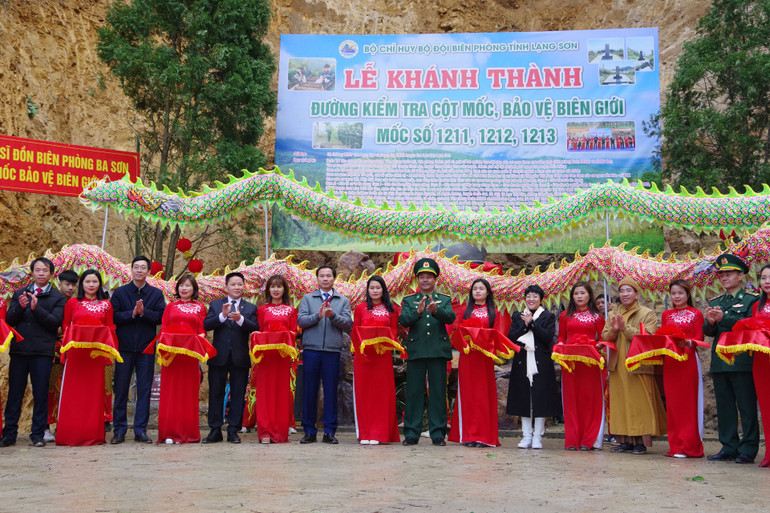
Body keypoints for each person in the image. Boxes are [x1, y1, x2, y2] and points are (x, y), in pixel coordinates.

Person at [1, 257, 66, 447]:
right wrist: (21, 308)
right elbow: (10, 320)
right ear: (32, 273)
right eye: (37, 270)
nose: (41, 274)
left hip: (42, 352)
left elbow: (55, 323)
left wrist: (36, 309)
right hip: (20, 351)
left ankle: (37, 434)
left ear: (51, 274)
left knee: (40, 393)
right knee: (15, 393)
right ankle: (9, 434)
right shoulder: (20, 293)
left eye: (45, 270)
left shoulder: (57, 297)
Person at [704, 254, 759, 463]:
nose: (724, 278)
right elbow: (708, 331)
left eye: (729, 274)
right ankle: (729, 446)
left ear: (740, 276)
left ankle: (749, 448)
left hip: (742, 360)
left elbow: (750, 325)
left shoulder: (751, 300)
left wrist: (724, 318)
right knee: (725, 407)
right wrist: (710, 322)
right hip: (720, 361)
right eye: (722, 274)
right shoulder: (716, 301)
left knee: (746, 407)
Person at [601, 276, 666, 455]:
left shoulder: (647, 313)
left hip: (638, 363)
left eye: (629, 290)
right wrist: (614, 330)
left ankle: (640, 442)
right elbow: (605, 336)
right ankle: (624, 441)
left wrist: (625, 328)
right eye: (622, 291)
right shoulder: (613, 313)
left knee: (639, 403)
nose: (625, 294)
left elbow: (648, 338)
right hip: (617, 363)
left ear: (636, 294)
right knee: (620, 402)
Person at [56, 269, 119, 446]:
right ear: (81, 284)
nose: (91, 285)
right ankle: (70, 433)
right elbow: (66, 325)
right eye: (87, 281)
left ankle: (92, 433)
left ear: (100, 284)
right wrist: (77, 333)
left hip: (96, 355)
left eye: (95, 281)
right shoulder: (72, 303)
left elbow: (110, 328)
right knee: (74, 393)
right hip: (76, 354)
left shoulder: (106, 304)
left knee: (93, 394)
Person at [399, 258, 456, 446]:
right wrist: (417, 312)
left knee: (438, 393)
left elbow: (450, 318)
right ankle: (411, 433)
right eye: (422, 277)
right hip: (416, 351)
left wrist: (436, 310)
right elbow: (403, 321)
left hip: (438, 351)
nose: (425, 280)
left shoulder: (444, 299)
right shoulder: (409, 300)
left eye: (429, 277)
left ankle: (438, 433)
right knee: (414, 392)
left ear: (435, 279)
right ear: (417, 279)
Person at [110, 255, 166, 444]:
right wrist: (132, 313)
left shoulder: (156, 294)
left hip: (146, 348)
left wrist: (144, 313)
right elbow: (113, 316)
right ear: (131, 270)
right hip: (124, 348)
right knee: (121, 389)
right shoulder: (120, 292)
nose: (139, 270)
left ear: (149, 271)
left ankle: (140, 430)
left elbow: (160, 317)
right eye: (136, 267)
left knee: (144, 390)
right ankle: (119, 430)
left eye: (143, 267)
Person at [449, 278, 511, 448]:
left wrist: (483, 339)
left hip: (484, 358)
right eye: (475, 289)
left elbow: (497, 334)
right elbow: (457, 332)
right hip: (468, 357)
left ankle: (484, 436)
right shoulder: (465, 310)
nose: (477, 291)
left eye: (481, 289)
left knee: (483, 395)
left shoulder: (495, 311)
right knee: (468, 395)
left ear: (488, 292)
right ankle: (469, 435)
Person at [297, 265, 353, 444]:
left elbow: (348, 323)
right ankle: (309, 431)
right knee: (309, 390)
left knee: (331, 391)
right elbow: (301, 321)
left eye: (329, 275)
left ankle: (329, 432)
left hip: (332, 351)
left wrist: (332, 316)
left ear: (334, 278)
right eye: (322, 276)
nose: (325, 279)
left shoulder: (342, 300)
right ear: (317, 279)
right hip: (311, 350)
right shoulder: (308, 298)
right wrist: (318, 316)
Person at [156, 274, 214, 444]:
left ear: (194, 289)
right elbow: (164, 330)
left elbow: (202, 331)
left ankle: (186, 433)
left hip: (189, 356)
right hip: (172, 357)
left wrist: (196, 339)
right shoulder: (170, 306)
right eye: (181, 285)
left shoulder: (200, 307)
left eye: (188, 285)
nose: (184, 288)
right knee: (170, 393)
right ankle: (169, 432)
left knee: (187, 394)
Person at [203, 271, 259, 444]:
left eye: (239, 284)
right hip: (218, 356)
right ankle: (215, 430)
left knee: (238, 394)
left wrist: (241, 319)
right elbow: (206, 324)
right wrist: (222, 316)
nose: (236, 287)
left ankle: (233, 430)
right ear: (226, 287)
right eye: (233, 284)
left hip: (239, 357)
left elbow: (256, 327)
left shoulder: (250, 308)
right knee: (216, 393)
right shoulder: (216, 304)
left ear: (244, 287)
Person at [506, 284, 560, 449]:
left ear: (541, 300)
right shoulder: (518, 315)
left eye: (535, 296)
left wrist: (533, 324)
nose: (531, 299)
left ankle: (537, 436)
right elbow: (511, 337)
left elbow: (548, 337)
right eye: (528, 296)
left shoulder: (548, 316)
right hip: (522, 360)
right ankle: (526, 435)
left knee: (540, 397)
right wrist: (525, 324)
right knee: (523, 397)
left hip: (541, 360)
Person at [352, 275, 402, 445]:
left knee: (381, 394)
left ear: (383, 290)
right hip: (364, 357)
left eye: (378, 287)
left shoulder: (391, 309)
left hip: (382, 356)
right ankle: (365, 433)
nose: (375, 291)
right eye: (372, 288)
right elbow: (355, 331)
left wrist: (380, 335)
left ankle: (380, 433)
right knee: (365, 394)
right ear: (367, 290)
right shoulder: (360, 308)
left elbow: (394, 332)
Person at [556, 281, 606, 451]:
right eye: (576, 293)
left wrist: (598, 346)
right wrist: (561, 347)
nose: (579, 296)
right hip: (571, 363)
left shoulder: (597, 317)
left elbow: (603, 339)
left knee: (590, 399)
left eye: (582, 293)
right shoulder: (565, 316)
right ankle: (572, 439)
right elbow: (561, 337)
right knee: (571, 400)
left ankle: (590, 439)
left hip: (590, 363)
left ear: (589, 295)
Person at [660, 280, 705, 458]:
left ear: (687, 295)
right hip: (671, 361)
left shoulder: (696, 314)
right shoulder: (666, 314)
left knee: (688, 402)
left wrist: (687, 342)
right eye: (673, 293)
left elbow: (700, 337)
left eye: (680, 293)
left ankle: (690, 446)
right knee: (673, 403)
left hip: (688, 359)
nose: (677, 296)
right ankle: (676, 445)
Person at [252, 275, 298, 444]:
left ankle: (280, 432)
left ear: (284, 290)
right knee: (265, 393)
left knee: (281, 393)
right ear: (268, 290)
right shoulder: (262, 310)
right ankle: (265, 431)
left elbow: (294, 332)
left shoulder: (291, 310)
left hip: (282, 357)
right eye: (272, 286)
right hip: (266, 358)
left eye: (279, 286)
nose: (276, 290)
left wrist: (283, 336)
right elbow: (258, 332)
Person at [45, 269, 79, 443]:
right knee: (51, 389)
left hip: (72, 353)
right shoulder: (51, 300)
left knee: (68, 390)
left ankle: (64, 424)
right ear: (59, 284)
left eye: (73, 285)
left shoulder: (77, 303)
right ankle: (46, 426)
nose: (70, 288)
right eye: (67, 284)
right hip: (54, 352)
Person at [749, 264, 770, 467]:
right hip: (762, 360)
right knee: (766, 406)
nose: (767, 282)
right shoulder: (757, 306)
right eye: (763, 278)